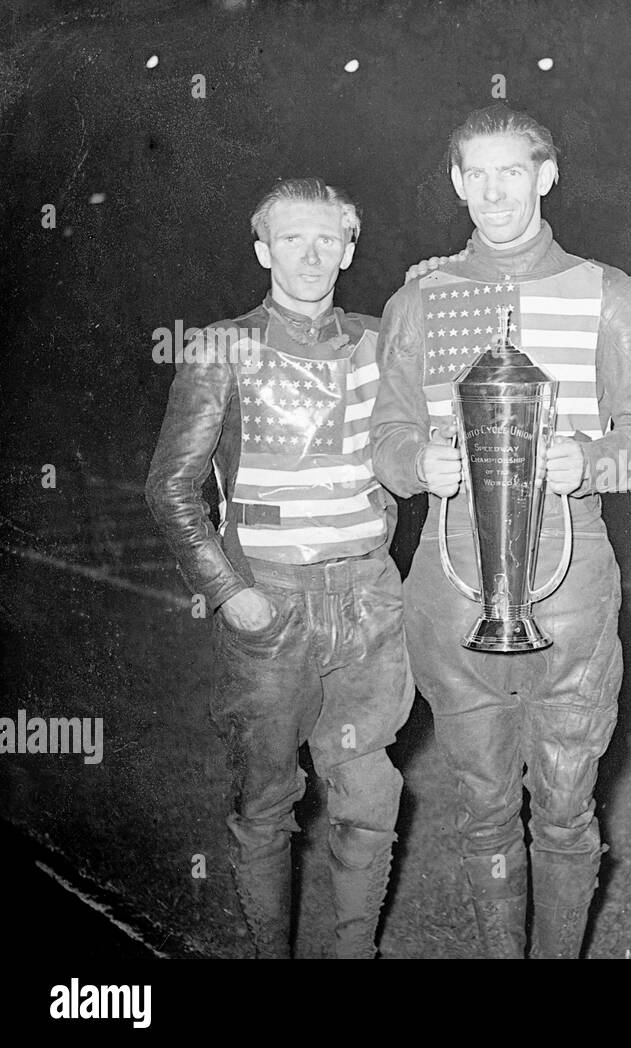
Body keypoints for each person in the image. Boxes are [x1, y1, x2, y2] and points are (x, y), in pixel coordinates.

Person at [370, 104, 631, 958]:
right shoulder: (420, 298)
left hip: (569, 582)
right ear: (460, 183)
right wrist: (413, 464)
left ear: (547, 176)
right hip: (449, 576)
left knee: (568, 807)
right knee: (480, 806)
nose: (497, 190)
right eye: (479, 174)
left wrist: (595, 459)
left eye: (516, 171)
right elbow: (386, 439)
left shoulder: (610, 292)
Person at [145, 178, 414, 958]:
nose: (311, 253)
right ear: (263, 250)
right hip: (272, 603)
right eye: (292, 238)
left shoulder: (381, 336)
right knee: (267, 804)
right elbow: (171, 484)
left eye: (327, 238)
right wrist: (228, 592)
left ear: (350, 247)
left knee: (370, 789)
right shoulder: (222, 346)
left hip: (367, 597)